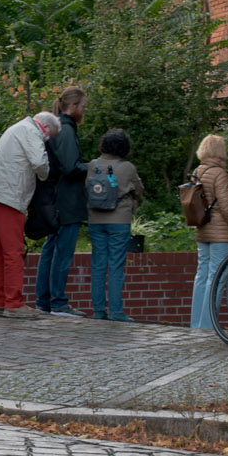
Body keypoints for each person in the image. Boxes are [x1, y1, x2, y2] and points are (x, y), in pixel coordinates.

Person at [0, 110, 60, 319]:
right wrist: (46, 175)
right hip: (10, 197)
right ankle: (14, 303)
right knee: (13, 253)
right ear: (47, 128)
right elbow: (40, 164)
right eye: (51, 137)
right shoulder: (31, 132)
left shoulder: (16, 128)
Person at [34, 89, 89, 317]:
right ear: (73, 106)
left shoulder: (60, 129)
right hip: (67, 202)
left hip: (55, 199)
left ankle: (44, 301)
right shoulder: (67, 131)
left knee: (50, 250)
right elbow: (70, 166)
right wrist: (93, 167)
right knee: (61, 252)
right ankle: (57, 302)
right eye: (83, 105)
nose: (85, 109)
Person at [85, 127, 146, 322]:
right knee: (116, 266)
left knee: (98, 265)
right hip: (119, 221)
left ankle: (98, 311)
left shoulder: (92, 165)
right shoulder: (127, 167)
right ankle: (116, 312)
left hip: (95, 220)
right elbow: (139, 189)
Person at [188, 133, 228, 332]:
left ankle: (196, 324)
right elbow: (227, 206)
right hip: (221, 232)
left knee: (201, 275)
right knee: (217, 277)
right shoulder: (219, 173)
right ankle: (209, 325)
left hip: (202, 229)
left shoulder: (197, 171)